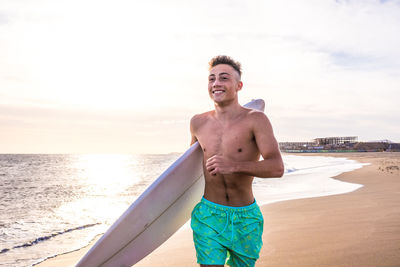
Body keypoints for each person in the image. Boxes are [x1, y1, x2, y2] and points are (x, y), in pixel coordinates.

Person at [189, 55, 284, 267]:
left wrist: (234, 166)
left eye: (223, 78)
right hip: (208, 215)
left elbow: (277, 167)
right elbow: (190, 172)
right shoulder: (197, 123)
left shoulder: (256, 120)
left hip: (246, 217)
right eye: (211, 79)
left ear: (238, 85)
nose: (216, 83)